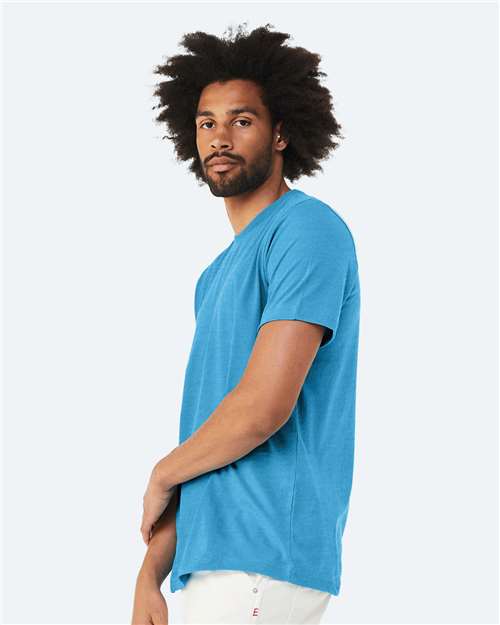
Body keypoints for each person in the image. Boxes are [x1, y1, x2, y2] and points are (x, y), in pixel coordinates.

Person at [131, 23, 360, 625]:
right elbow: (212, 437)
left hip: (263, 557)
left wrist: (161, 473)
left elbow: (262, 408)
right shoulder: (214, 277)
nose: (220, 137)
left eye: (242, 120)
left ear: (281, 131)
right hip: (212, 563)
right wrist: (151, 574)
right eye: (206, 123)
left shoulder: (306, 230)